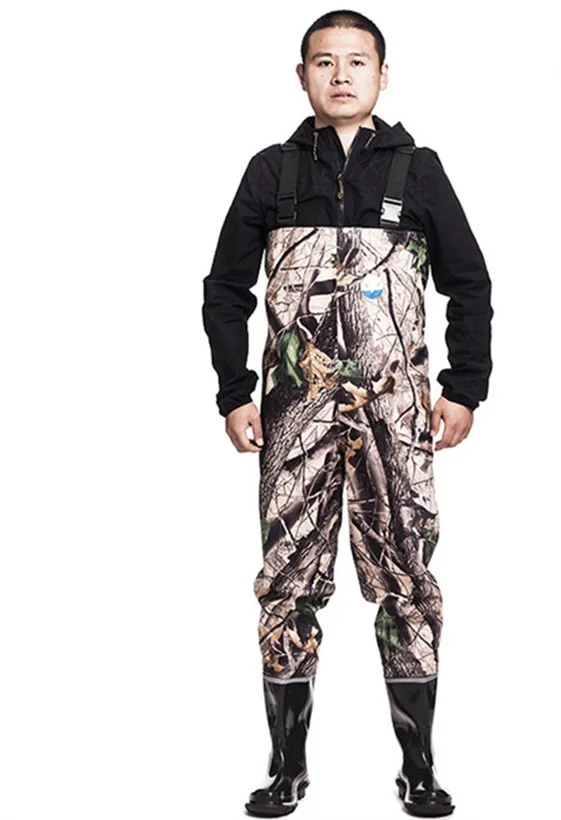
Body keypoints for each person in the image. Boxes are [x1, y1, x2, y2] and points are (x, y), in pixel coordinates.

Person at [202, 9, 493, 818]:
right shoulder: (270, 172)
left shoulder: (418, 171)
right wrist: (234, 392)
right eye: (323, 61)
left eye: (356, 61)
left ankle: (418, 767)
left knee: (407, 579)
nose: (339, 75)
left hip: (395, 421)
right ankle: (286, 767)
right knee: (287, 582)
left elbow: (469, 284)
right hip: (292, 416)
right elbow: (224, 289)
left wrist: (464, 387)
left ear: (381, 75)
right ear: (301, 76)